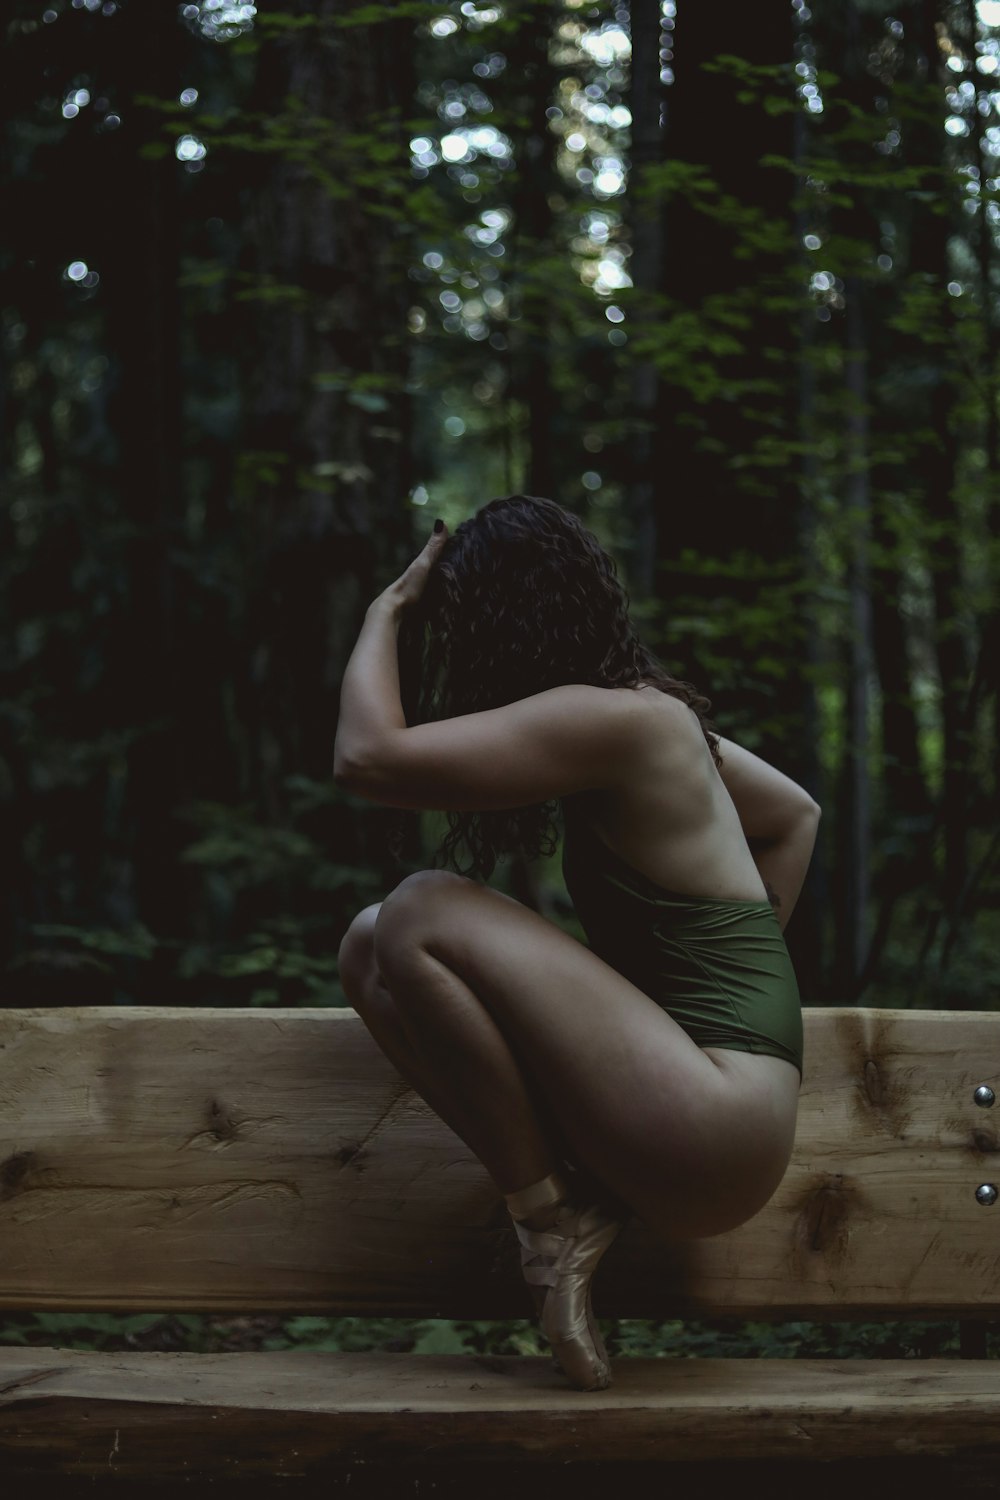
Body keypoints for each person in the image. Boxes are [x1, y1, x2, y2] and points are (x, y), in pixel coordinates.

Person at [335, 495, 819, 1393]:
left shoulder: (614, 721)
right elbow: (796, 815)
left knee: (418, 908)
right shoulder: (651, 718)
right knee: (369, 948)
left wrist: (385, 612)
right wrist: (689, 1011)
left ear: (502, 621)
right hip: (701, 1115)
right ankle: (565, 1210)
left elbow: (366, 757)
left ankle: (549, 1225)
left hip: (717, 1123)